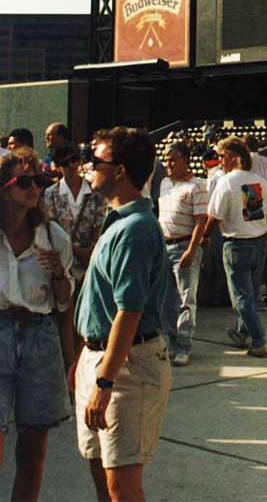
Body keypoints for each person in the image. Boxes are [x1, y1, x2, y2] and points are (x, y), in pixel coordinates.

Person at [72, 126, 172, 502]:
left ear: (119, 170)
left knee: (121, 486)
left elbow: (129, 313)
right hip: (104, 362)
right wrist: (86, 362)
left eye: (95, 160)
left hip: (128, 369)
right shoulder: (119, 221)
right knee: (102, 471)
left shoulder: (134, 230)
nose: (88, 166)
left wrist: (104, 382)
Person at [0, 154, 74, 502]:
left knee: (33, 451)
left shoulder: (53, 236)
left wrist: (59, 273)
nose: (35, 189)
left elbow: (63, 305)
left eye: (40, 182)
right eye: (25, 181)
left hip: (39, 337)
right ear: (3, 189)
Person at [207, 136, 267, 356]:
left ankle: (259, 340)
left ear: (233, 157)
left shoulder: (226, 182)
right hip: (259, 242)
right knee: (251, 294)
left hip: (237, 244)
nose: (219, 161)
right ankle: (241, 331)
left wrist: (201, 238)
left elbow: (214, 216)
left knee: (241, 297)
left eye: (222, 156)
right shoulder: (259, 181)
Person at [158, 141, 208, 366]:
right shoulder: (165, 184)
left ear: (186, 160)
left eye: (173, 159)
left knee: (186, 299)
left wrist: (192, 249)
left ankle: (183, 345)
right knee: (166, 298)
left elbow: (200, 222)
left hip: (184, 246)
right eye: (166, 159)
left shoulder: (197, 186)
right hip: (164, 246)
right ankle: (169, 340)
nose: (168, 164)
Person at [44, 142, 106, 290]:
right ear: (58, 166)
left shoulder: (96, 192)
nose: (71, 166)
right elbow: (52, 229)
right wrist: (78, 252)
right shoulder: (51, 193)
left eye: (73, 160)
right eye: (64, 163)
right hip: (62, 264)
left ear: (79, 161)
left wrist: (90, 252)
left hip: (90, 263)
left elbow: (100, 225)